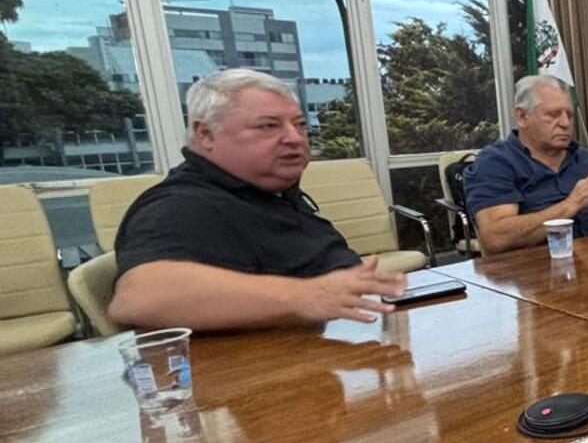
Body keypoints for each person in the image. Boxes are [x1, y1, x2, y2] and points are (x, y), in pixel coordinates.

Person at [110, 69, 405, 331]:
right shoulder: (182, 204)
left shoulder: (269, 190)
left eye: (300, 125)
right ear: (206, 135)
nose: (295, 138)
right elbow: (140, 298)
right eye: (269, 126)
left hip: (343, 340)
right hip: (274, 374)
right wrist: (309, 295)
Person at [466, 74, 588, 254]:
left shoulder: (586, 159)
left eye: (569, 116)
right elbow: (495, 239)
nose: (565, 123)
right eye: (553, 114)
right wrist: (571, 204)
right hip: (536, 272)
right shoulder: (496, 162)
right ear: (522, 116)